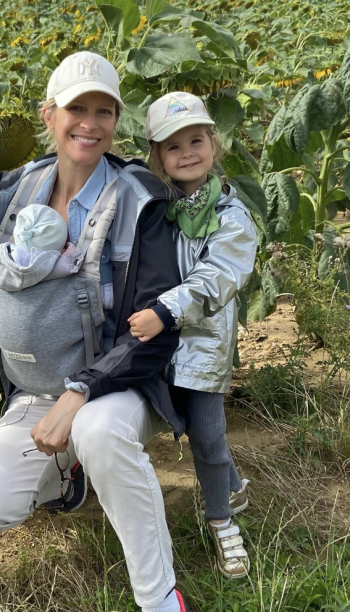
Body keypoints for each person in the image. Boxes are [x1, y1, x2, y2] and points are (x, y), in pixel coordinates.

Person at [0, 51, 193, 612]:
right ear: (49, 115)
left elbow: (155, 330)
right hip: (35, 392)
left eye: (104, 111)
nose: (90, 125)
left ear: (118, 120)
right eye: (76, 109)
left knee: (96, 429)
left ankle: (160, 596)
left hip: (122, 386)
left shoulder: (143, 200)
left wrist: (81, 391)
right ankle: (68, 469)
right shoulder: (20, 186)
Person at [127, 91, 258, 579]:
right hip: (156, 347)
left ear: (214, 144)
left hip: (200, 347)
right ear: (157, 157)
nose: (186, 152)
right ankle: (233, 484)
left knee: (205, 434)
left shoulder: (231, 217)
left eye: (196, 140)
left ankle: (222, 521)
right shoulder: (155, 209)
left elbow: (219, 276)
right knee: (173, 418)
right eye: (173, 145)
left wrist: (166, 309)